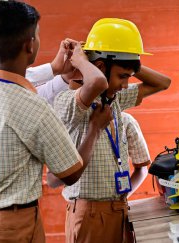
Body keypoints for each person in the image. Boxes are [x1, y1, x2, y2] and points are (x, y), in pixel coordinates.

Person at [0, 1, 112, 242]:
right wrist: (94, 128)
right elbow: (70, 173)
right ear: (30, 45)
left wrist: (58, 73)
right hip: (12, 226)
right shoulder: (34, 107)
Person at [51, 18, 171, 243]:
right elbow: (96, 82)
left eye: (129, 76)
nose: (126, 84)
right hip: (90, 213)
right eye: (122, 76)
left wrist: (130, 62)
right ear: (99, 68)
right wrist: (82, 58)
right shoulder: (68, 102)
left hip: (118, 208)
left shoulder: (113, 99)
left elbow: (163, 83)